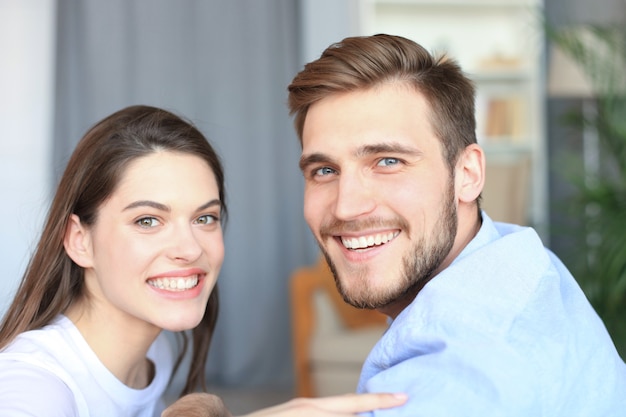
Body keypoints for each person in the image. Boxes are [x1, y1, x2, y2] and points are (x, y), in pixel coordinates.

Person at [284, 34, 626, 416]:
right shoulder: (514, 256)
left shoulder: (463, 370)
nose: (346, 207)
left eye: (388, 161)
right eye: (324, 170)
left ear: (468, 173)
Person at [0, 105, 405, 417]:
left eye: (204, 218)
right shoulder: (33, 384)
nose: (189, 248)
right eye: (147, 220)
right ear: (79, 240)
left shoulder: (154, 350)